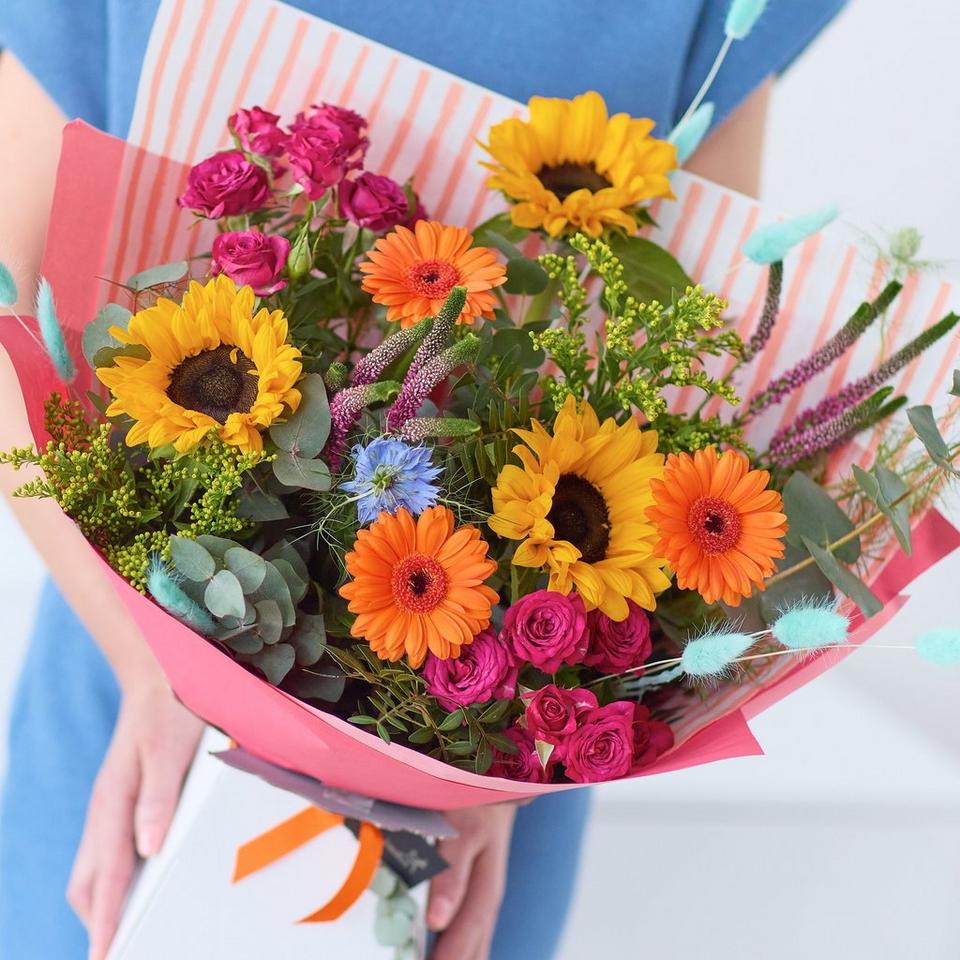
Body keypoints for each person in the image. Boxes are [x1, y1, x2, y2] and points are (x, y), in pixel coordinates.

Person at [0, 2, 846, 957]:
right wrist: (152, 665)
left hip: (496, 727)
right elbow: (6, 293)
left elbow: (692, 355)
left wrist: (505, 757)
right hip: (145, 684)